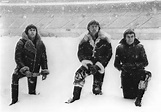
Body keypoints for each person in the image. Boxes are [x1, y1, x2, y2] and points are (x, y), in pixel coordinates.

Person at [66, 20, 112, 103]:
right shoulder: (84, 41)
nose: (94, 28)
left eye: (96, 26)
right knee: (79, 75)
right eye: (92, 26)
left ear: (99, 28)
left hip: (99, 66)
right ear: (88, 28)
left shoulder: (105, 40)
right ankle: (75, 97)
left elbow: (108, 55)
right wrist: (88, 63)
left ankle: (97, 104)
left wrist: (98, 65)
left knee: (97, 88)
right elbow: (80, 53)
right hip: (88, 64)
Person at [10, 24, 49, 105]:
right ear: (27, 32)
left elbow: (43, 58)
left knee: (32, 90)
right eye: (30, 30)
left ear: (36, 32)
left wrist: (44, 70)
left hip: (35, 68)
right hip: (22, 67)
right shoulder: (21, 43)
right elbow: (18, 57)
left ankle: (32, 103)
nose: (32, 32)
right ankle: (14, 101)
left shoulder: (40, 44)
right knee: (15, 76)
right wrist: (24, 68)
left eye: (34, 30)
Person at [114, 29, 152, 107]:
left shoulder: (139, 47)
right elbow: (116, 64)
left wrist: (135, 65)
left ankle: (139, 98)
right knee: (128, 98)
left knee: (145, 76)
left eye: (132, 37)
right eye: (128, 37)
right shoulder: (120, 48)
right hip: (126, 75)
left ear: (135, 37)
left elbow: (145, 62)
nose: (130, 39)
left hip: (138, 72)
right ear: (125, 38)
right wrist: (123, 67)